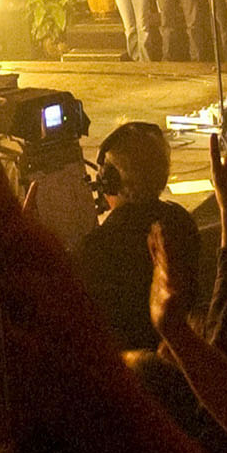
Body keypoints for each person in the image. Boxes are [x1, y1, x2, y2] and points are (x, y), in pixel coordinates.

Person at [75, 121, 203, 353]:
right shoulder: (180, 222)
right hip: (183, 359)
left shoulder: (95, 249)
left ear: (109, 181)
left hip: (129, 374)